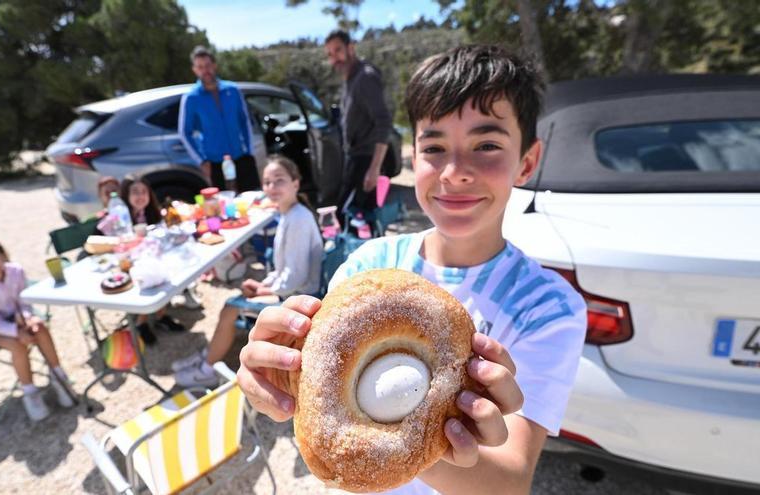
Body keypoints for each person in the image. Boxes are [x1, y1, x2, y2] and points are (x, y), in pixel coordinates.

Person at [236, 45, 588, 494]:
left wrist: (428, 444)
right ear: (412, 157)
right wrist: (277, 379)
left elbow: (511, 481)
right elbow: (319, 390)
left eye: (487, 145)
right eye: (435, 147)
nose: (456, 172)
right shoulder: (367, 268)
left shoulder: (548, 307)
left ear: (527, 161)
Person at [172, 155, 323, 388]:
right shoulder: (288, 213)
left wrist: (263, 290)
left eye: (279, 180)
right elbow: (284, 270)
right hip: (292, 290)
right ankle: (207, 355)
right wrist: (264, 285)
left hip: (299, 299)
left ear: (296, 182)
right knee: (237, 299)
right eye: (267, 182)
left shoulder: (298, 219)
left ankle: (207, 368)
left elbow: (295, 278)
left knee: (229, 308)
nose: (272, 187)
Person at [0, 234, 76, 422]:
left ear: (3, 254)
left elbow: (24, 300)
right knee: (17, 345)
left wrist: (28, 318)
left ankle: (59, 378)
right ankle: (30, 392)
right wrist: (17, 332)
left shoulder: (16, 271)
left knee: (39, 326)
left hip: (17, 318)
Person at [324, 30, 393, 227]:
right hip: (355, 157)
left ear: (350, 48)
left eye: (337, 50)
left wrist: (374, 168)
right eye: (329, 54)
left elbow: (384, 121)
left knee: (346, 215)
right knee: (362, 218)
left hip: (365, 160)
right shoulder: (350, 78)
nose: (334, 57)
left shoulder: (365, 77)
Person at [180, 45, 260, 193]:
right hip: (215, 162)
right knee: (225, 206)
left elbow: (245, 121)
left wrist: (249, 151)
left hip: (241, 157)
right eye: (200, 67)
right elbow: (185, 132)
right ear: (195, 70)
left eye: (208, 65)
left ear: (214, 65)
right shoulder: (191, 98)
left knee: (253, 201)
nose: (205, 70)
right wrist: (202, 161)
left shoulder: (233, 90)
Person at [119, 175, 184, 343]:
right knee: (152, 277)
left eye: (144, 192)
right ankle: (142, 322)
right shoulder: (120, 217)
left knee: (162, 273)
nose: (140, 196)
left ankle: (160, 315)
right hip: (125, 264)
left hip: (147, 259)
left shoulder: (150, 214)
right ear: (126, 195)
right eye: (135, 192)